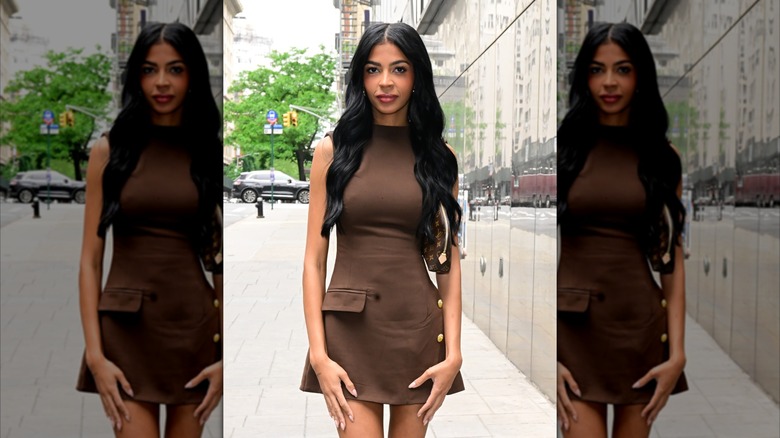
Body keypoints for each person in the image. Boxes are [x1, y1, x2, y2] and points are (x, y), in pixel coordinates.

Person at [299, 22, 465, 437]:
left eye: (399, 69)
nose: (385, 82)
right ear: (360, 77)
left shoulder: (440, 158)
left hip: (419, 330)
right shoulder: (333, 150)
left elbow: (448, 262)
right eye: (373, 70)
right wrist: (319, 355)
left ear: (417, 77)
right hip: (349, 332)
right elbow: (313, 260)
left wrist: (455, 354)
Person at [76, 22, 223, 437]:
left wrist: (225, 354)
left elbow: (219, 260)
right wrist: (95, 355)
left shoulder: (207, 152)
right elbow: (89, 260)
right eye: (148, 69)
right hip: (125, 334)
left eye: (175, 69)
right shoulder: (110, 150)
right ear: (135, 76)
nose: (161, 82)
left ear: (192, 74)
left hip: (193, 330)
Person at [556, 22, 688, 438]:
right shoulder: (565, 151)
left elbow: (671, 259)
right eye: (597, 70)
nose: (609, 82)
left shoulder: (663, 158)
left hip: (640, 330)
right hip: (573, 333)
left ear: (640, 76)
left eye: (623, 69)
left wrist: (678, 354)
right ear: (584, 77)